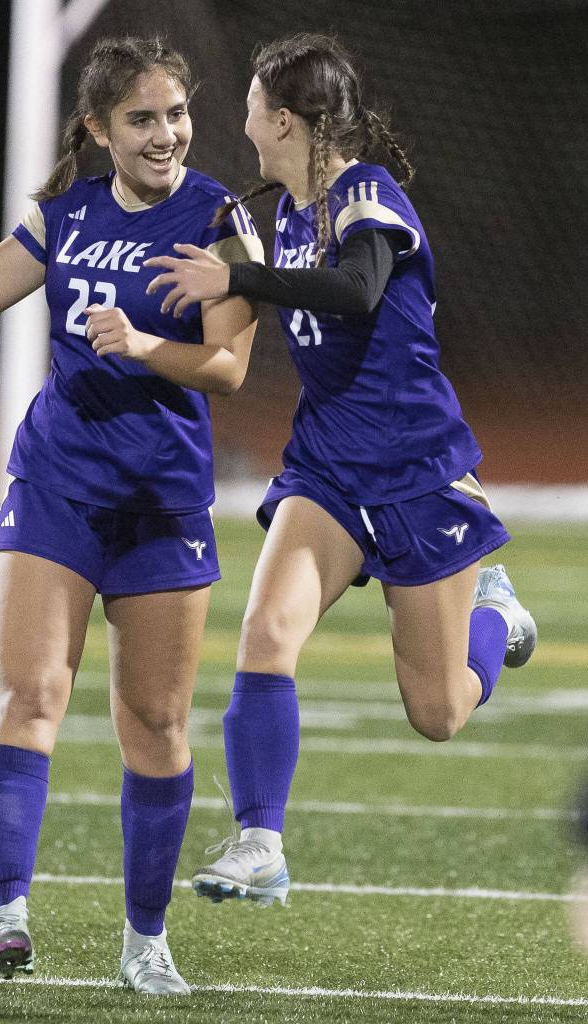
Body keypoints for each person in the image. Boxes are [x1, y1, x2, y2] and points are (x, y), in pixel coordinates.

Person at [145, 31, 537, 907]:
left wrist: (245, 279)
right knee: (264, 635)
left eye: (249, 101)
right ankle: (258, 840)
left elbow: (358, 288)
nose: (239, 115)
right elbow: (246, 291)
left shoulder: (364, 192)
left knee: (436, 714)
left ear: (281, 118)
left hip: (413, 471)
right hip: (325, 468)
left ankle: (496, 621)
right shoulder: (278, 210)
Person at [0, 36, 261, 993]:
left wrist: (147, 344)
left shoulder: (220, 217)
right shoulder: (62, 213)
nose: (166, 134)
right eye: (143, 119)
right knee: (28, 698)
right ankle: (7, 916)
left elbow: (230, 370)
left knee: (154, 724)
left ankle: (144, 942)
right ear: (99, 129)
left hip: (161, 500)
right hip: (58, 483)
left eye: (177, 114)